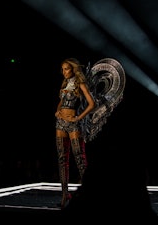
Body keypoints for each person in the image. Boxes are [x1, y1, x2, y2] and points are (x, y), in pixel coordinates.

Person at [54, 58, 95, 209]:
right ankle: (65, 194)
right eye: (63, 69)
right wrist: (58, 111)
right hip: (60, 124)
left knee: (80, 158)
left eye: (67, 69)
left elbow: (92, 103)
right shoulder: (64, 83)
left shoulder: (80, 84)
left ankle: (88, 194)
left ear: (73, 69)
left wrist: (79, 117)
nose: (64, 72)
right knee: (62, 158)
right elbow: (61, 101)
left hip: (73, 123)